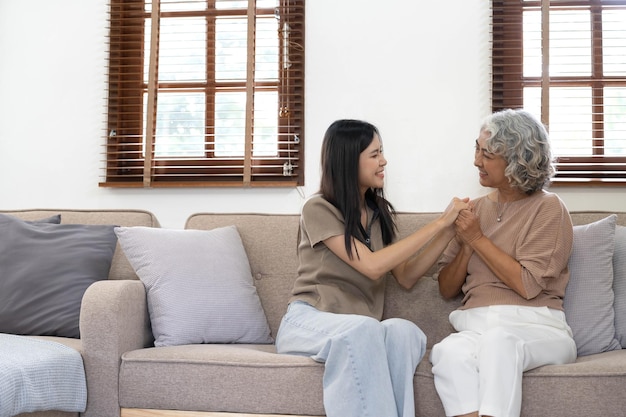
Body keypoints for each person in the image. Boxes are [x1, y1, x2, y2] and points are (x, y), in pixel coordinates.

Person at [275, 119, 470, 417]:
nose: (384, 161)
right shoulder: (318, 209)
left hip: (357, 329)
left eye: (382, 152)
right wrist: (439, 222)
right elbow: (371, 266)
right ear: (349, 161)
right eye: (375, 154)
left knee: (403, 331)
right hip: (308, 322)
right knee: (365, 328)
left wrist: (449, 231)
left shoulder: (378, 214)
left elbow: (405, 276)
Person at [430, 109, 577, 417]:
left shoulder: (549, 209)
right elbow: (446, 288)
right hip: (474, 328)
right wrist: (469, 244)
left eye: (488, 154)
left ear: (517, 159)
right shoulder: (474, 210)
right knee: (447, 351)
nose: (476, 161)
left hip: (537, 327)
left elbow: (527, 285)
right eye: (477, 148)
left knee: (499, 342)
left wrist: (477, 239)